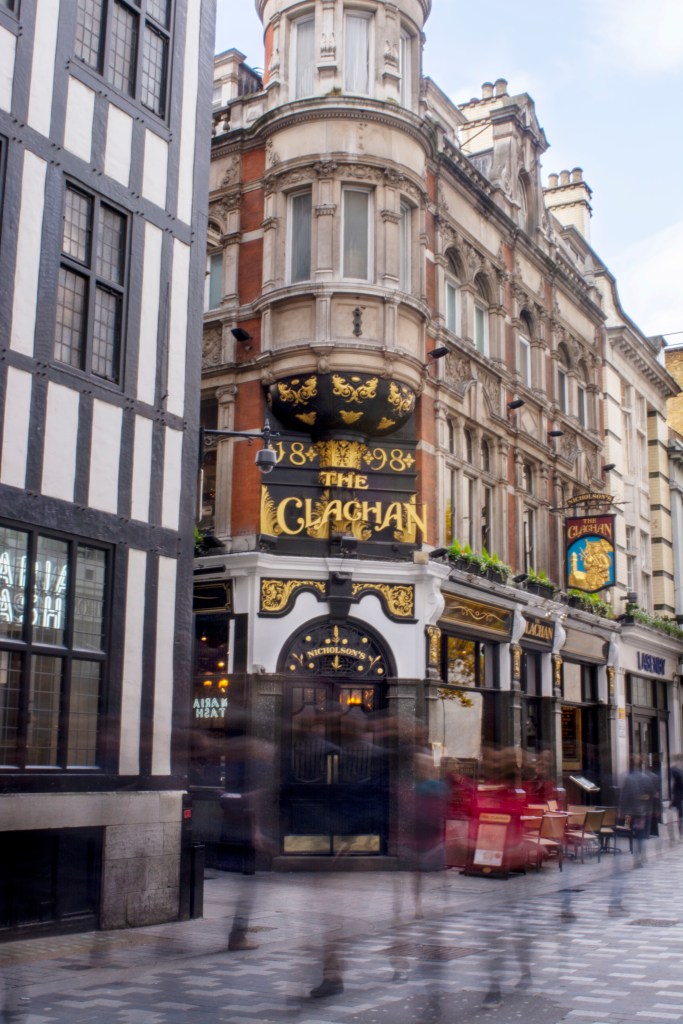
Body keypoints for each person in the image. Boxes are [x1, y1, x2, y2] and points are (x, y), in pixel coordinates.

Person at [671, 755, 683, 839]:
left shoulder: (677, 771)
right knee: (680, 814)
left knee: (680, 814)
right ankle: (680, 832)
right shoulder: (678, 771)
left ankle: (680, 832)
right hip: (678, 796)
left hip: (678, 796)